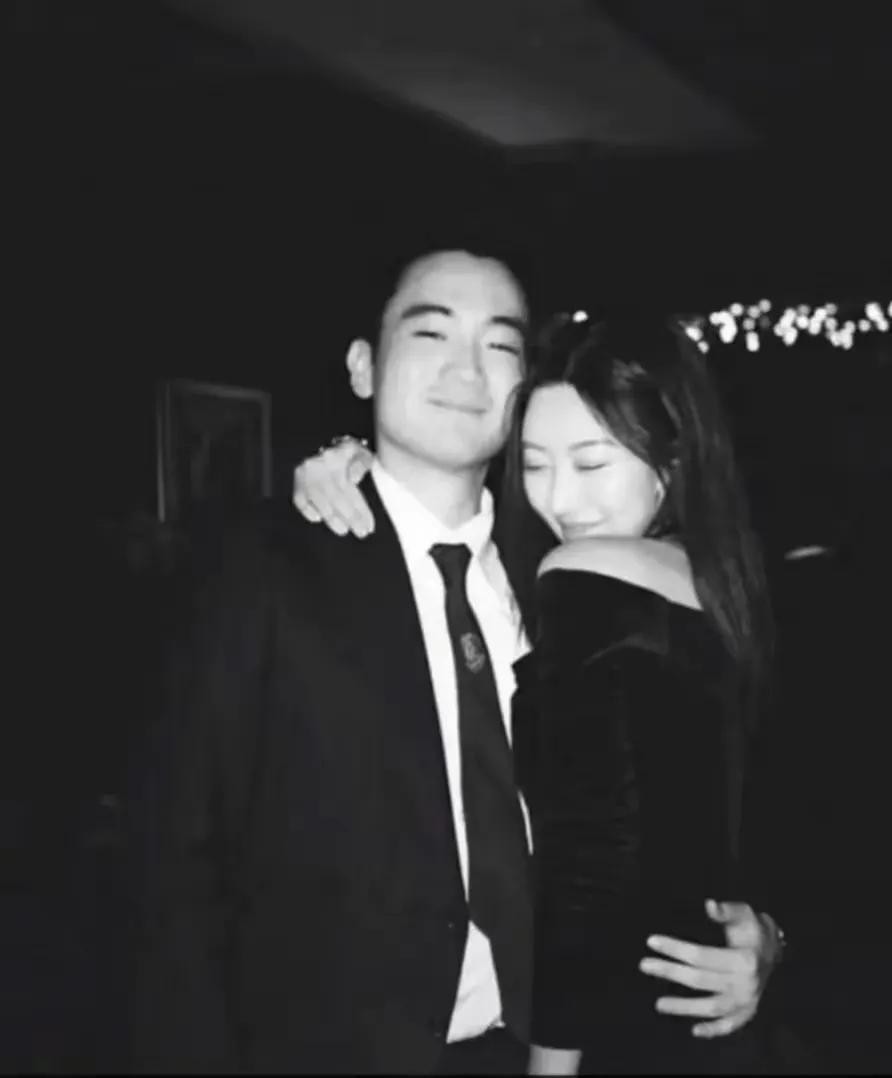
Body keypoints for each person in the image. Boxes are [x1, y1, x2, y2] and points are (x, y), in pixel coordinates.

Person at [133, 246, 780, 1076]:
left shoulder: (570, 569)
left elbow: (723, 792)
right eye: (432, 332)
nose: (468, 368)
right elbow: (172, 869)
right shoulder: (260, 566)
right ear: (363, 366)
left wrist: (767, 933)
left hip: (566, 1047)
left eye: (501, 343)